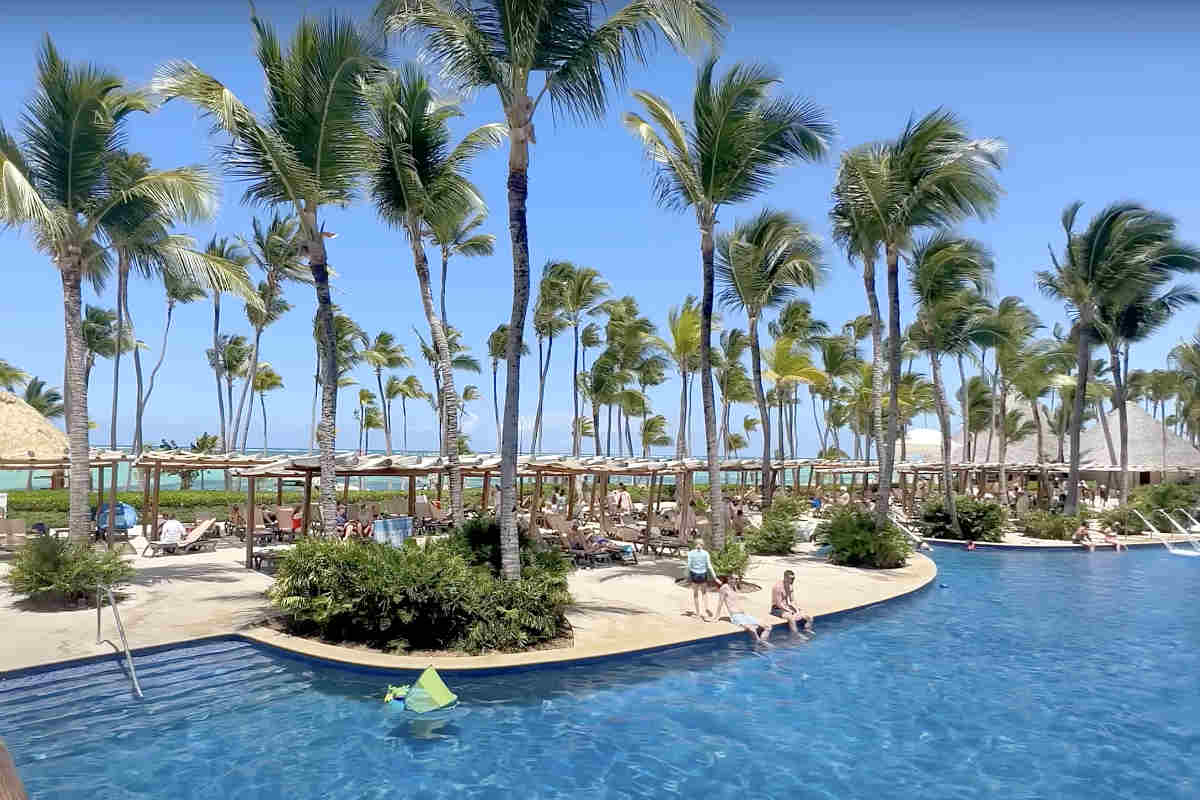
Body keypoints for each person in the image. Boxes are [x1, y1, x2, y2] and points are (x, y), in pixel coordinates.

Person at [715, 575, 771, 645]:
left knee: (768, 627)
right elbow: (720, 603)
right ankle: (760, 644)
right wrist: (716, 617)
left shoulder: (734, 587)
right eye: (735, 579)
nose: (736, 580)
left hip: (744, 614)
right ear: (729, 579)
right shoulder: (724, 588)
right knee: (752, 630)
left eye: (737, 579)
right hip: (735, 616)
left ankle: (762, 642)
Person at [770, 570, 813, 634]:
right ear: (785, 578)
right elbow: (779, 604)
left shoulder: (790, 586)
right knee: (791, 618)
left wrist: (797, 610)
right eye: (791, 578)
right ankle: (795, 635)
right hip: (777, 609)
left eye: (793, 578)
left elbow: (792, 600)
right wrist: (790, 611)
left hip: (787, 607)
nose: (793, 580)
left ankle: (807, 630)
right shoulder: (777, 587)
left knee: (809, 617)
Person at [686, 537, 716, 620]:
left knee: (695, 594)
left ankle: (698, 614)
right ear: (703, 545)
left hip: (694, 574)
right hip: (703, 574)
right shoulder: (706, 553)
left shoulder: (691, 553)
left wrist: (686, 574)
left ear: (694, 544)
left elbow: (688, 565)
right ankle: (706, 610)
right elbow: (709, 566)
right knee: (704, 593)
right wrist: (715, 576)